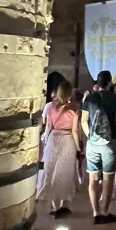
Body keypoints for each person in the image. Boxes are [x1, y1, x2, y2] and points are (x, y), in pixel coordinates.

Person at [80, 71, 116, 224]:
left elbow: (83, 121)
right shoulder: (115, 98)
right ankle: (105, 212)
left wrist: (90, 136)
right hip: (109, 143)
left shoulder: (89, 98)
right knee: (108, 179)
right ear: (109, 82)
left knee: (93, 179)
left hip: (92, 143)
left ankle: (95, 212)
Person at [37, 79, 80, 218]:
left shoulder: (50, 106)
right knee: (65, 172)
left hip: (53, 138)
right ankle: (63, 203)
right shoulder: (74, 108)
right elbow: (75, 130)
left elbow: (48, 126)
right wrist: (78, 147)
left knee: (51, 170)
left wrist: (46, 142)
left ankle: (53, 204)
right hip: (67, 140)